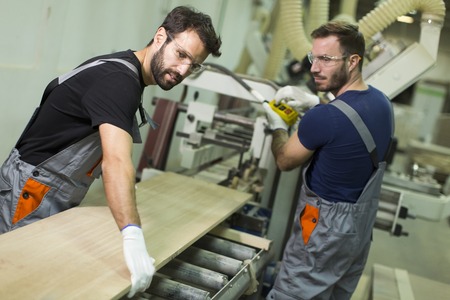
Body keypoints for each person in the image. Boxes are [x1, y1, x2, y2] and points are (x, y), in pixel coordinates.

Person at [0, 5, 221, 298]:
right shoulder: (120, 81)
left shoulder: (125, 72)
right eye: (181, 55)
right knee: (17, 283)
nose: (182, 71)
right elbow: (117, 162)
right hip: (31, 193)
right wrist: (132, 236)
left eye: (193, 66)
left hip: (49, 192)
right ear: (159, 37)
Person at [263, 21, 394, 299]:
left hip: (322, 229)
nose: (314, 67)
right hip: (357, 231)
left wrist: (277, 126)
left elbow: (285, 160)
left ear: (353, 61)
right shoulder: (382, 104)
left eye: (326, 59)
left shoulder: (325, 118)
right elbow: (347, 123)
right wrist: (316, 104)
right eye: (314, 57)